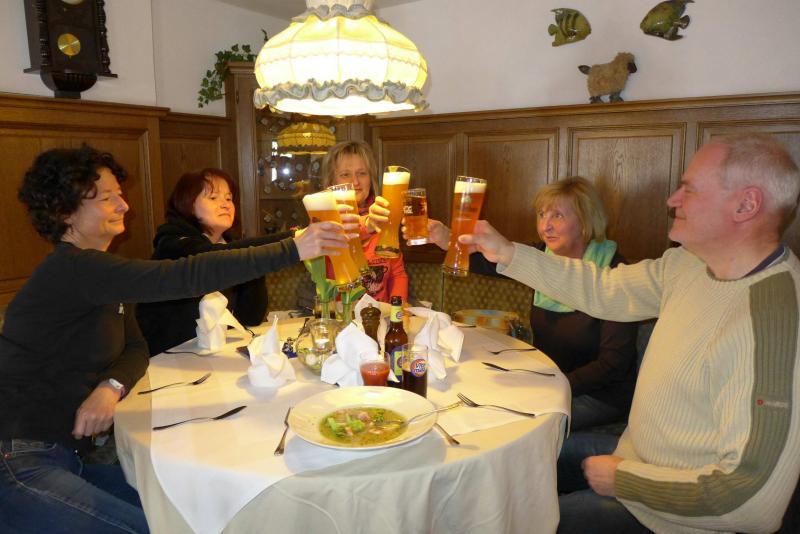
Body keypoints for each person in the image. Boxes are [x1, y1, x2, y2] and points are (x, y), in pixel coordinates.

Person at [459, 134, 800, 533]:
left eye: (689, 189)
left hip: (670, 517)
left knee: (518, 523)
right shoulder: (688, 264)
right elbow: (604, 289)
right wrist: (507, 252)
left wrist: (624, 480)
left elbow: (752, 503)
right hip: (636, 458)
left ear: (746, 205)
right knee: (499, 466)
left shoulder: (775, 322)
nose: (672, 200)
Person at [0, 146, 348, 533]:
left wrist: (110, 386)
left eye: (120, 194)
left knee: (188, 513)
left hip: (70, 456)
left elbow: (136, 348)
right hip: (18, 459)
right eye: (106, 198)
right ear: (65, 212)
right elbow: (184, 276)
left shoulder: (100, 276)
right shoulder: (72, 269)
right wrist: (293, 248)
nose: (123, 205)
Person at [417, 177, 638, 431]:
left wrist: (553, 386)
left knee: (509, 424)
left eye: (557, 215)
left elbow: (613, 364)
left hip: (598, 396)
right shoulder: (543, 256)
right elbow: (489, 262)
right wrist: (447, 239)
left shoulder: (615, 273)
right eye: (542, 215)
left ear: (586, 221)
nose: (545, 226)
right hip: (548, 378)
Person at [136, 168, 293, 356]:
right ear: (188, 204)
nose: (225, 204)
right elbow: (212, 259)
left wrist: (254, 265)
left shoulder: (230, 247)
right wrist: (292, 240)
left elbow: (251, 316)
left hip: (215, 354)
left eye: (228, 198)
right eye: (213, 198)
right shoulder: (174, 244)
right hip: (167, 359)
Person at [321, 140, 408, 303]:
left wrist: (398, 310)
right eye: (345, 174)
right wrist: (367, 224)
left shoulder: (383, 217)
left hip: (380, 315)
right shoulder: (323, 221)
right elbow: (344, 233)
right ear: (331, 182)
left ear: (371, 178)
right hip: (340, 314)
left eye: (362, 173)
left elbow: (397, 274)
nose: (355, 182)